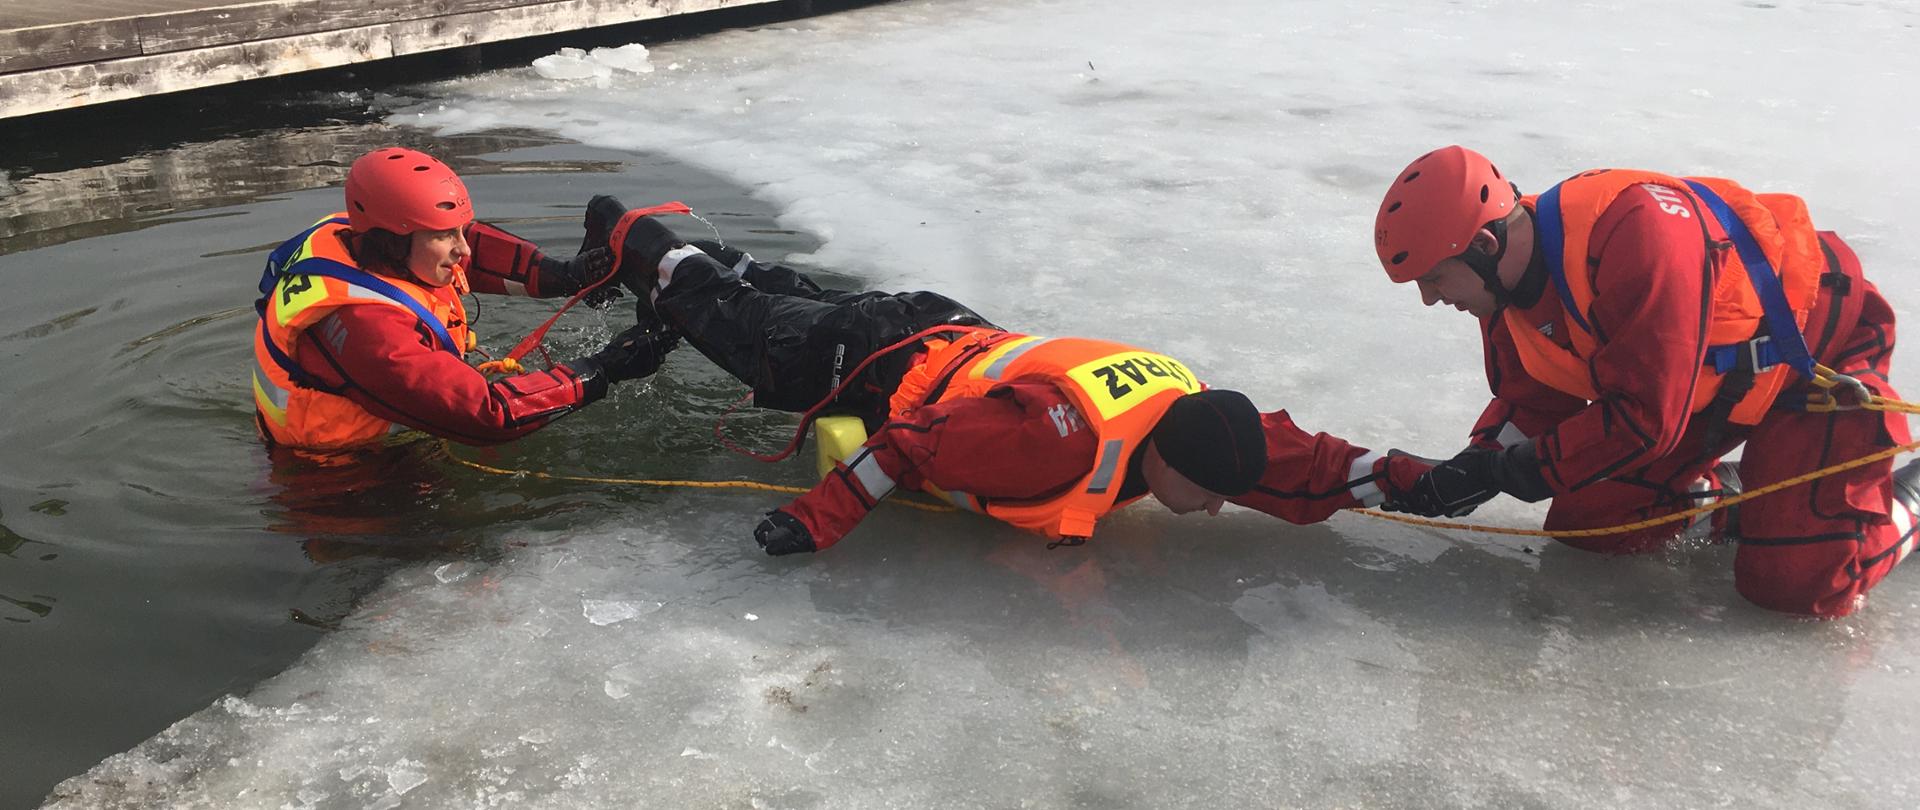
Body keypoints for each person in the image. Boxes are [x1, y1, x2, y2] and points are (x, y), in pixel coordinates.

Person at [591, 200, 1436, 555]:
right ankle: (639, 240)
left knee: (790, 309)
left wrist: (1418, 483)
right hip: (880, 359)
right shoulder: (1048, 447)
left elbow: (1302, 462)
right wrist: (816, 524)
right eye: (1212, 493)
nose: (1219, 506)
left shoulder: (1201, 422)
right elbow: (911, 445)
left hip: (948, 327)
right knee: (734, 331)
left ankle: (737, 268)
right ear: (1168, 464)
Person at [1370, 145, 1920, 617]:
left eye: (1434, 277)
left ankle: (1908, 499)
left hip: (1815, 348)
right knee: (1594, 525)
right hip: (1704, 385)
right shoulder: (1506, 293)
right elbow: (1531, 402)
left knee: (1794, 584)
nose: (1430, 297)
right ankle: (1753, 497)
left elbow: (1643, 420)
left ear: (1485, 246)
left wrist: (1511, 470)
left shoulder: (1633, 236)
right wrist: (1476, 467)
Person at [251, 147, 677, 452]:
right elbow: (490, 415)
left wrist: (565, 275)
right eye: (445, 234)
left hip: (381, 426)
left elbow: (471, 252)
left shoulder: (355, 239)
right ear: (391, 240)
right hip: (343, 483)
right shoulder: (369, 334)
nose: (464, 249)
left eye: (461, 229)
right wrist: (604, 369)